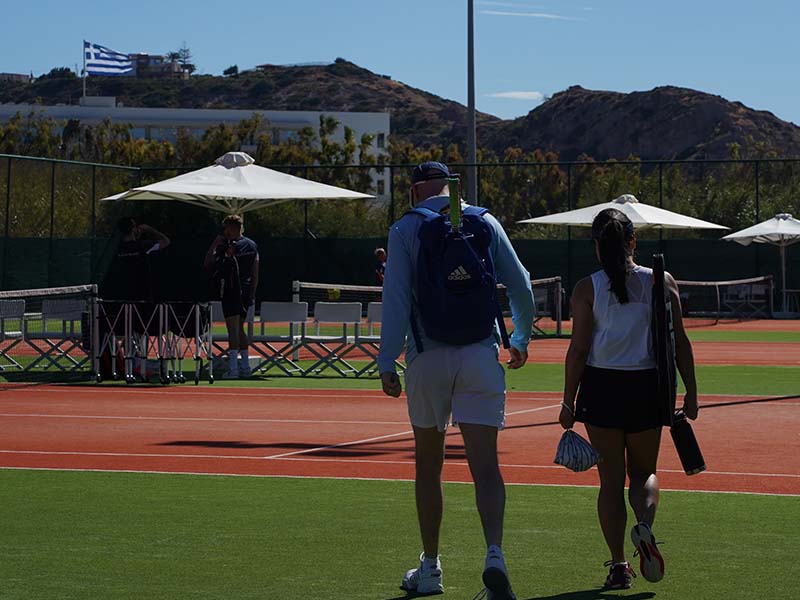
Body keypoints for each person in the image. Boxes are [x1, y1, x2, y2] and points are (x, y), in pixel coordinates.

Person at [378, 161, 534, 599]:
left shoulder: (405, 228)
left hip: (427, 358)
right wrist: (520, 337)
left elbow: (395, 300)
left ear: (414, 191)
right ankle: (495, 556)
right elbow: (520, 284)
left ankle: (430, 568)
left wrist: (387, 361)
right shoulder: (484, 220)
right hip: (481, 354)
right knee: (486, 466)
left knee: (429, 466)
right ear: (450, 187)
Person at [559, 208, 698, 590]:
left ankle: (620, 564)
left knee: (610, 482)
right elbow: (680, 343)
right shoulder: (661, 281)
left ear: (596, 246)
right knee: (645, 473)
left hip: (602, 389)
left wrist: (568, 401)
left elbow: (579, 350)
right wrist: (692, 392)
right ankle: (645, 526)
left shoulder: (587, 288)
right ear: (633, 241)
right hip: (647, 388)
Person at [204, 215, 260, 379]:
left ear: (231, 227)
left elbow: (208, 263)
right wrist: (252, 293)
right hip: (246, 291)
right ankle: (245, 367)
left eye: (226, 227)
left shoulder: (226, 245)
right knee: (240, 329)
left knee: (232, 330)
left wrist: (215, 243)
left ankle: (234, 369)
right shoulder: (252, 245)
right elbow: (255, 272)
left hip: (230, 290)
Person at [116, 217, 171, 301]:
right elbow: (165, 241)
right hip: (142, 294)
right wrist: (149, 229)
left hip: (122, 294)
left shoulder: (118, 249)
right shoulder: (142, 246)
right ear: (133, 229)